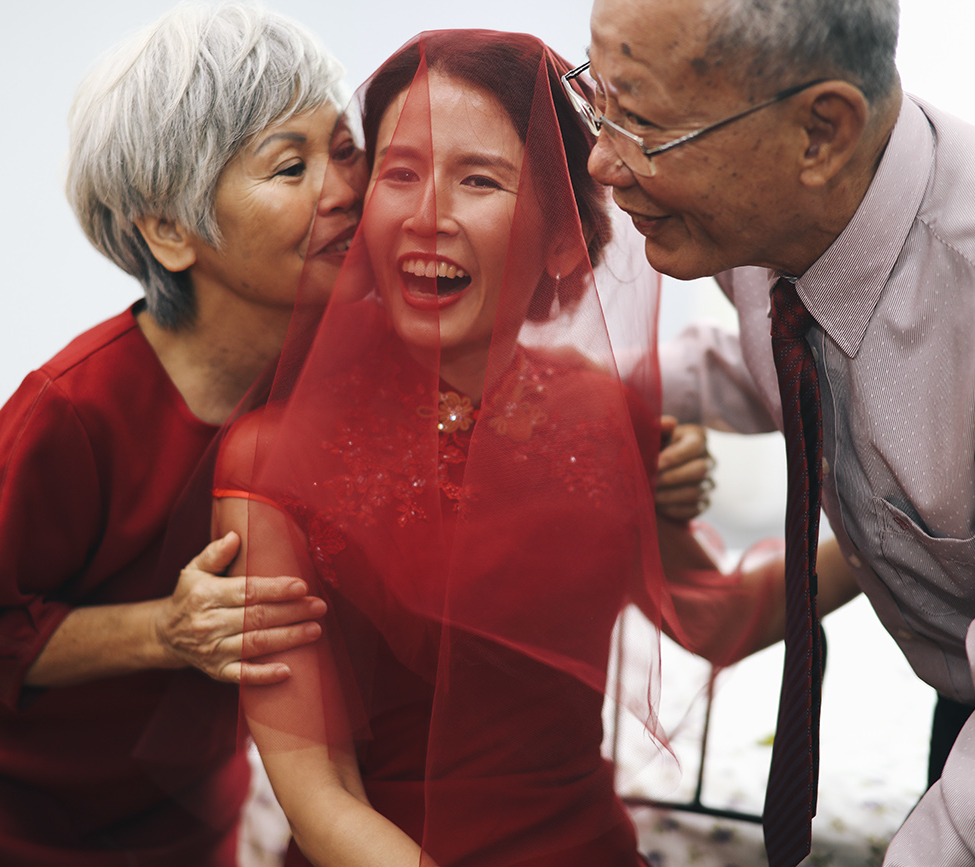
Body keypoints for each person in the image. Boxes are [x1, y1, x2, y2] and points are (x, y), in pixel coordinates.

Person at [208, 29, 785, 867]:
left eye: (478, 179)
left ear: (562, 236)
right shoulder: (271, 456)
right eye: (399, 174)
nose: (426, 215)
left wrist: (896, 549)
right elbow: (318, 789)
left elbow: (717, 618)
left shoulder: (604, 413)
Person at [579, 0, 975, 864]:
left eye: (644, 127)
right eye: (595, 101)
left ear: (822, 130)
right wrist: (557, 393)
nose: (602, 161)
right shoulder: (771, 220)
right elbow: (777, 360)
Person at [0, 6, 365, 864]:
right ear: (169, 231)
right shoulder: (72, 410)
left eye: (347, 148)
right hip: (2, 794)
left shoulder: (345, 364)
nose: (346, 187)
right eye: (291, 165)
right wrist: (168, 629)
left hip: (182, 783)